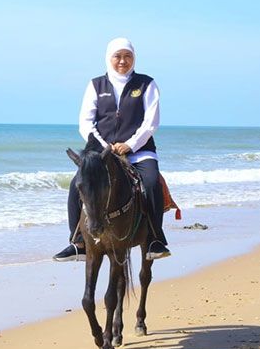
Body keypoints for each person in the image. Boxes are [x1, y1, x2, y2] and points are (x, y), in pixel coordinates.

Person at [53, 37, 171, 262]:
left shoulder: (147, 84)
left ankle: (156, 239)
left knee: (151, 182)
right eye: (117, 56)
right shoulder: (95, 84)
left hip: (139, 151)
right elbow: (85, 123)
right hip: (101, 153)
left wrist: (130, 144)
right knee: (76, 185)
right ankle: (77, 240)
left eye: (128, 56)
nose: (122, 61)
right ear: (109, 58)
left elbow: (151, 122)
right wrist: (105, 146)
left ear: (134, 58)